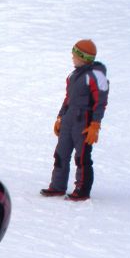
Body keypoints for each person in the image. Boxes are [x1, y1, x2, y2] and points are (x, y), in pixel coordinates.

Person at [40, 39, 109, 201]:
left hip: (83, 122)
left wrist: (95, 123)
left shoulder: (96, 75)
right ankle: (57, 186)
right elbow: (68, 98)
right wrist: (60, 117)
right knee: (60, 153)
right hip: (69, 119)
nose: (72, 57)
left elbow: (101, 101)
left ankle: (82, 190)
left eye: (75, 55)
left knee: (82, 156)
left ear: (83, 57)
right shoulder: (73, 75)